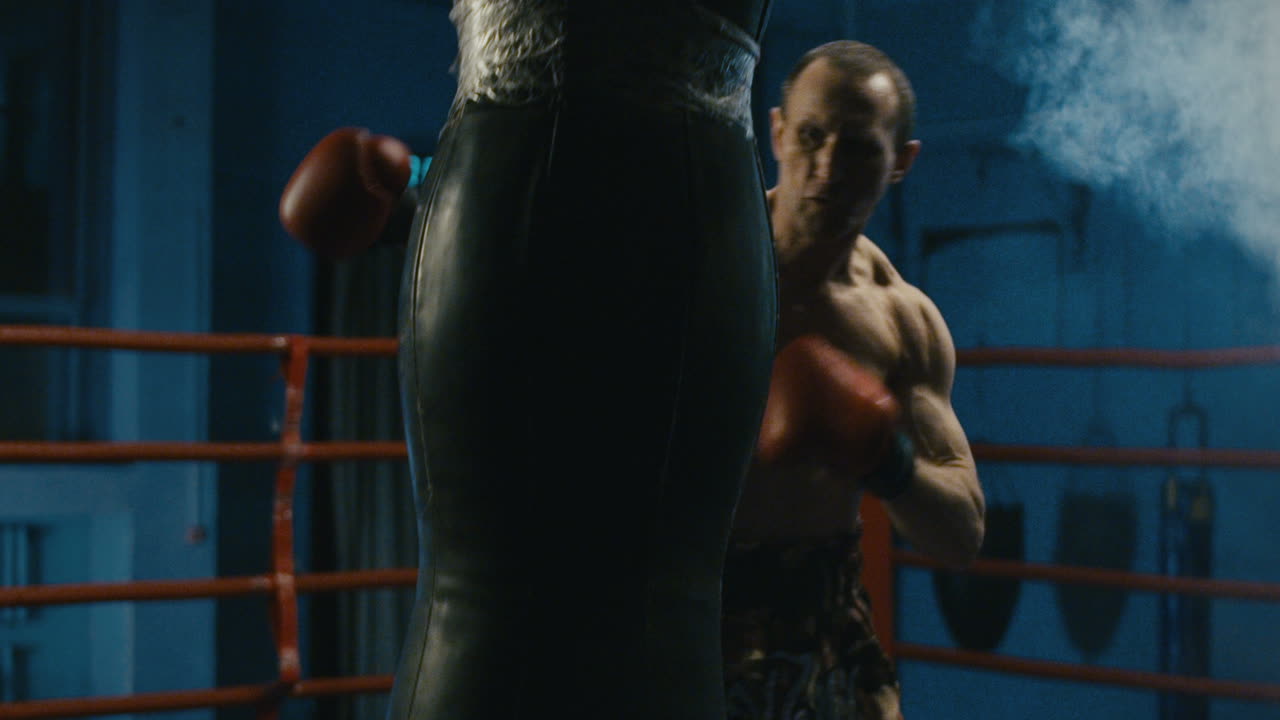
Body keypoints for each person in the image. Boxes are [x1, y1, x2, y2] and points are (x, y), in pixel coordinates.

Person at [282, 2, 778, 719]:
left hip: (589, 183)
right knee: (504, 592)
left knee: (645, 598)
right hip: (595, 179)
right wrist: (425, 186)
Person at [721, 40, 985, 720]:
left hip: (824, 615)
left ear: (902, 162)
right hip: (685, 603)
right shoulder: (700, 260)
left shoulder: (903, 323)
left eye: (862, 148)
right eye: (811, 136)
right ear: (777, 132)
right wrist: (420, 209)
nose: (829, 168)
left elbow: (961, 533)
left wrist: (883, 457)